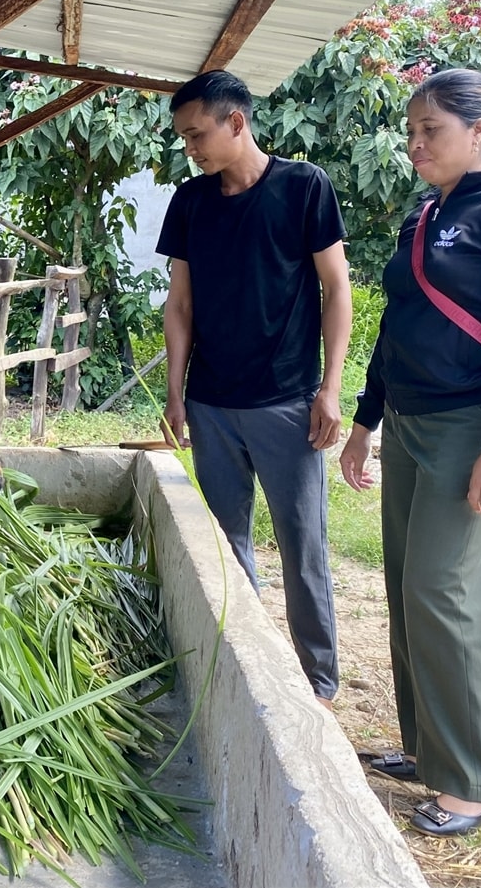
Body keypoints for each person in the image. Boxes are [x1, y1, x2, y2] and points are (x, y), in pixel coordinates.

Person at [340, 67, 481, 837]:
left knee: (442, 593)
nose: (414, 146)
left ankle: (474, 779)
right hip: (408, 420)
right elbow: (397, 321)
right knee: (406, 590)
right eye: (410, 133)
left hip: (475, 428)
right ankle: (427, 749)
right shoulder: (425, 214)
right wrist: (366, 419)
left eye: (429, 131)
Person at [157, 69, 352, 707]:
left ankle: (317, 684)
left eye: (198, 133)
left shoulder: (303, 187)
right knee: (224, 545)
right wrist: (176, 392)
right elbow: (179, 305)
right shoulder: (189, 202)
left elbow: (337, 289)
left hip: (287, 402)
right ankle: (242, 665)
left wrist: (330, 388)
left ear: (236, 121)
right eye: (185, 137)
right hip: (212, 404)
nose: (191, 147)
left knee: (304, 546)